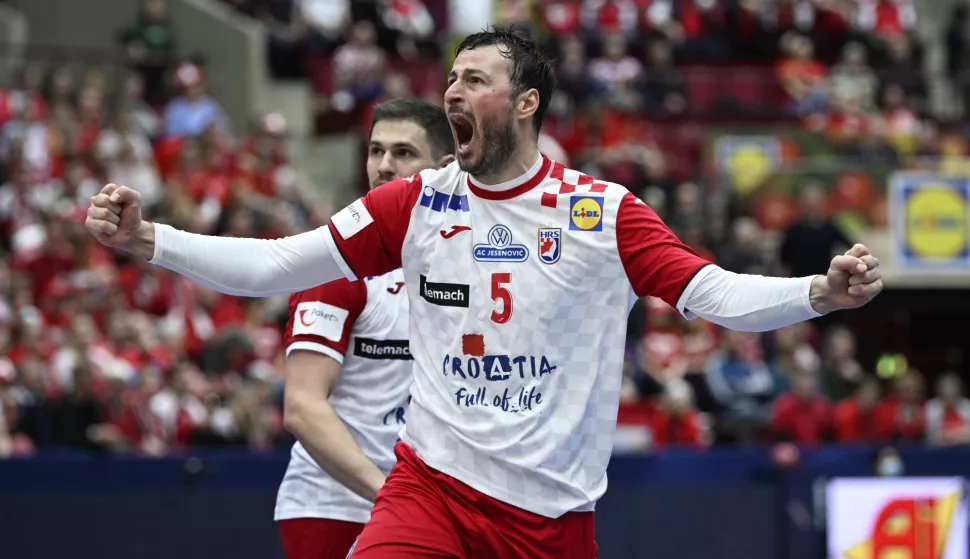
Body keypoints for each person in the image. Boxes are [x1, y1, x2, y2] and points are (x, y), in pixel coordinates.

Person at [85, 25, 883, 559]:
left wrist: (818, 292)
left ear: (526, 102)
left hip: (552, 516)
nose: (454, 93)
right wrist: (151, 240)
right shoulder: (416, 202)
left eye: (476, 80)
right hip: (430, 488)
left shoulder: (599, 211)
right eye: (451, 80)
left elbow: (711, 294)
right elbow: (276, 263)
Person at [274, 98, 454, 559]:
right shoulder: (338, 266)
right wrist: (391, 499)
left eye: (404, 153)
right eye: (376, 151)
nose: (384, 166)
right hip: (335, 505)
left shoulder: (469, 265)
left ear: (446, 167)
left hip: (432, 504)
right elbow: (301, 406)